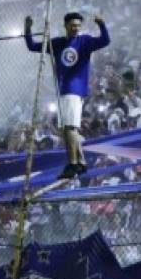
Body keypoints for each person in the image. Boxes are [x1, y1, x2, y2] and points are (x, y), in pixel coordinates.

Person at [24, 12, 110, 180]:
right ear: (65, 25)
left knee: (69, 129)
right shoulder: (58, 43)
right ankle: (81, 161)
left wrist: (101, 24)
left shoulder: (84, 41)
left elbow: (105, 40)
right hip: (64, 90)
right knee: (70, 129)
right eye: (72, 25)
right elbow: (33, 46)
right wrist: (27, 29)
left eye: (78, 25)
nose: (75, 28)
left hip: (74, 89)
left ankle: (72, 163)